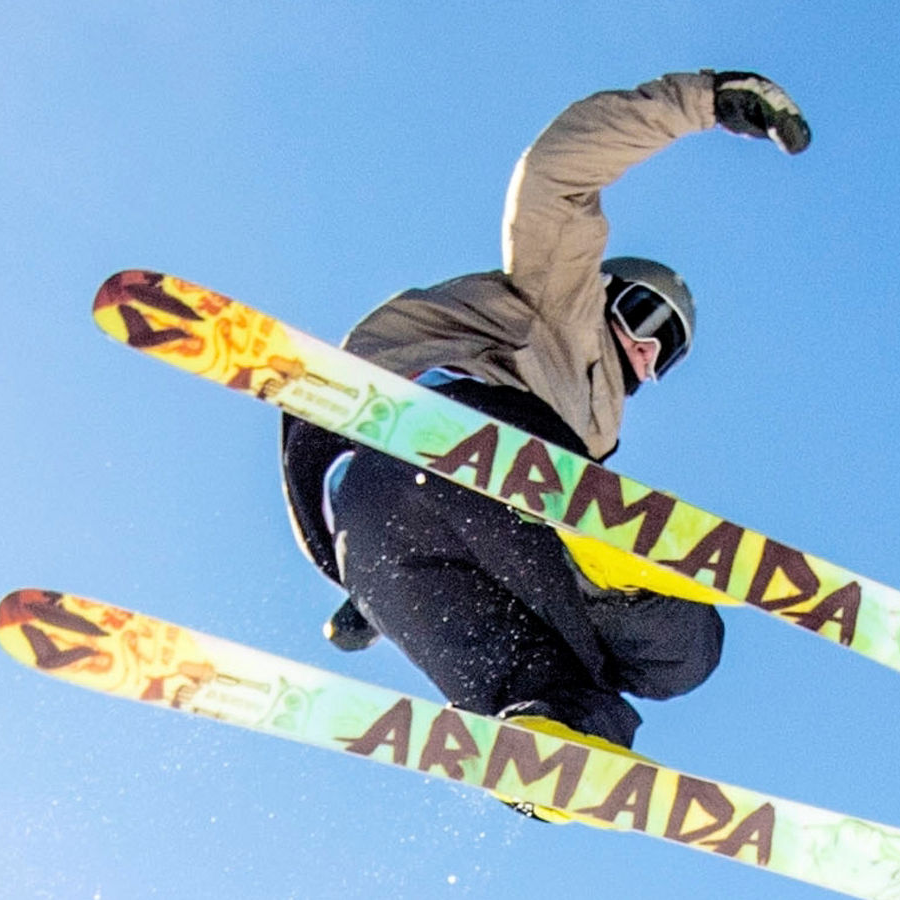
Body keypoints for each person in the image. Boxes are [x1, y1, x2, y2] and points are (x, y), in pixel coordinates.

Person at [278, 71, 811, 755]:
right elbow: (558, 170)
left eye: (665, 351)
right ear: (607, 288)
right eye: (644, 317)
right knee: (669, 616)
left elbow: (420, 509)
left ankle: (555, 745)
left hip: (366, 542)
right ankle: (600, 557)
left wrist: (365, 610)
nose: (643, 353)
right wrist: (704, 101)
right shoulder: (560, 298)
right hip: (440, 422)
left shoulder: (593, 426)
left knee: (674, 659)